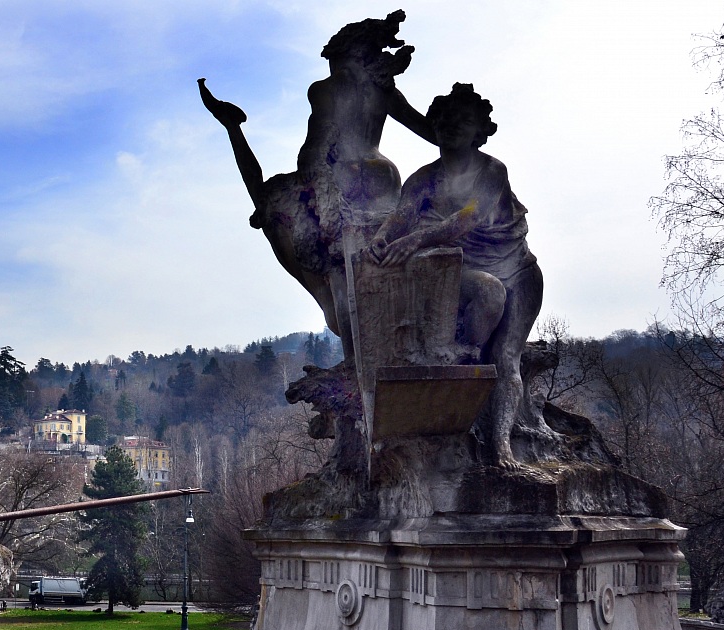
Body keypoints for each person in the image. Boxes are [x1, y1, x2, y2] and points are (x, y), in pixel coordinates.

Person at [199, 10, 436, 357]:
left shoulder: (329, 88)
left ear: (347, 57)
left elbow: (323, 140)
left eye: (335, 62)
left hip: (340, 177)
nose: (332, 70)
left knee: (271, 206)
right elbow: (429, 131)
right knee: (289, 221)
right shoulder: (384, 91)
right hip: (380, 175)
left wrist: (314, 181)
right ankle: (342, 313)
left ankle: (232, 126)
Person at [366, 83, 543, 466]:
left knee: (507, 355)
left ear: (480, 131)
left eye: (462, 121)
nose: (450, 126)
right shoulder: (424, 178)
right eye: (443, 120)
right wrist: (382, 239)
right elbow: (402, 216)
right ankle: (464, 386)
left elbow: (469, 217)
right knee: (484, 315)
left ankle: (501, 448)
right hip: (464, 269)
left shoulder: (492, 170)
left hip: (518, 268)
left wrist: (414, 240)